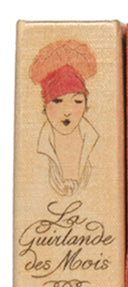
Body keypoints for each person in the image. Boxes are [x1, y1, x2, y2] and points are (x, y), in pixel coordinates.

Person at [30, 40, 99, 195]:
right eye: (57, 101)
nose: (67, 111)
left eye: (77, 101)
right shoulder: (36, 150)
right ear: (45, 104)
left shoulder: (96, 141)